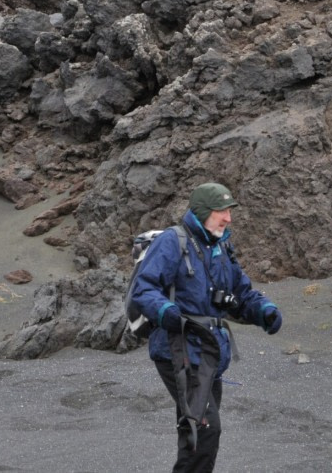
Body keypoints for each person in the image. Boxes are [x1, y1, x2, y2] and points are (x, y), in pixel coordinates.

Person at [130, 182, 283, 473]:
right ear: (202, 213)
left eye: (229, 211)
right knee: (205, 430)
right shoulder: (173, 242)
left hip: (210, 353)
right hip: (179, 350)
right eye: (221, 211)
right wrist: (167, 312)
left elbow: (241, 292)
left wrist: (265, 312)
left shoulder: (221, 246)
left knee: (195, 432)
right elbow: (144, 289)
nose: (228, 218)